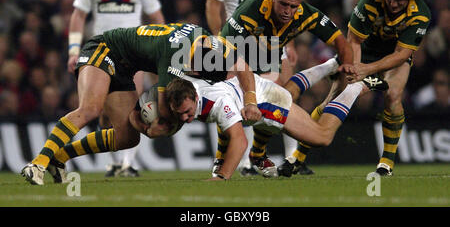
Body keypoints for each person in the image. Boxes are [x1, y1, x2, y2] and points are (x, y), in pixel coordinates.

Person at [20, 23, 256, 185]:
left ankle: (59, 157)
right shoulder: (177, 53)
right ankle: (37, 164)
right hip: (104, 50)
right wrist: (157, 129)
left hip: (125, 67)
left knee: (127, 138)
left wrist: (250, 100)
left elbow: (241, 65)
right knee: (90, 109)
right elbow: (164, 107)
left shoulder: (206, 42)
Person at [278, 0, 431, 177]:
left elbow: (402, 54)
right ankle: (297, 159)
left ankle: (386, 164)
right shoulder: (369, 1)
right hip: (363, 51)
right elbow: (354, 41)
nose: (394, 4)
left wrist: (368, 71)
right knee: (334, 97)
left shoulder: (420, 13)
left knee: (394, 95)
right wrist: (354, 69)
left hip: (395, 57)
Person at [213, 0, 355, 177]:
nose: (288, 11)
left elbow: (342, 42)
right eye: (283, 4)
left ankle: (258, 153)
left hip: (269, 56)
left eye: (294, 6)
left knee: (281, 101)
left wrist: (348, 65)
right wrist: (247, 92)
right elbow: (226, 51)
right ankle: (221, 157)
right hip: (237, 54)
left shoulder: (308, 14)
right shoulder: (251, 10)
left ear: (301, 3)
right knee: (230, 98)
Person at [154, 71, 387, 180]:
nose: (185, 118)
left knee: (322, 136)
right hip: (252, 102)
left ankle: (355, 88)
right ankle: (259, 157)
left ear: (195, 98)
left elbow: (238, 139)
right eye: (180, 114)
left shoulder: (217, 103)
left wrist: (221, 177)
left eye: (187, 112)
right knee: (250, 127)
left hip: (268, 101)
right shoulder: (186, 88)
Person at [67, 0, 165, 177]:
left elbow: (156, 18)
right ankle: (114, 161)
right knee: (101, 112)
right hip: (101, 54)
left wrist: (161, 47)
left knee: (133, 107)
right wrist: (73, 49)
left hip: (133, 53)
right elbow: (78, 15)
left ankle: (128, 163)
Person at [205, 0, 295, 176]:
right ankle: (238, 160)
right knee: (236, 100)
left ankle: (289, 158)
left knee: (284, 95)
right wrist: (218, 42)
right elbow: (213, 5)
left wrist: (289, 42)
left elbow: (289, 6)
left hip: (271, 45)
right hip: (238, 45)